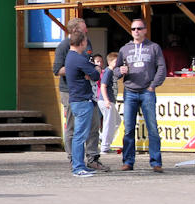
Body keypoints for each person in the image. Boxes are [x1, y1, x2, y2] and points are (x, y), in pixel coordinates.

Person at [52, 17, 106, 171]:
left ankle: (92, 158)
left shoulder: (86, 42)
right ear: (75, 30)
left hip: (88, 91)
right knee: (72, 127)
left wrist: (88, 69)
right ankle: (73, 159)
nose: (87, 30)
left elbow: (89, 63)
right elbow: (57, 70)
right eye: (84, 28)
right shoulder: (63, 46)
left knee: (94, 124)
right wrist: (78, 70)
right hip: (70, 91)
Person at [117, 18, 167, 172]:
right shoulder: (124, 49)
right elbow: (115, 69)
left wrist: (153, 85)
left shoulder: (154, 47)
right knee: (129, 129)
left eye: (139, 28)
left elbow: (162, 68)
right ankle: (128, 161)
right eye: (133, 29)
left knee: (152, 127)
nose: (136, 31)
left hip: (147, 91)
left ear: (145, 30)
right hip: (130, 90)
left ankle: (156, 162)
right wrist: (120, 71)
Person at [64, 30, 100, 177]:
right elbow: (96, 75)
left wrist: (88, 73)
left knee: (78, 134)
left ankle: (79, 165)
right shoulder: (79, 59)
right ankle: (78, 167)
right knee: (80, 135)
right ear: (82, 43)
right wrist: (95, 69)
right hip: (82, 100)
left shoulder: (69, 57)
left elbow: (89, 74)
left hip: (76, 99)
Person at [94, 52, 120, 160]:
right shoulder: (108, 72)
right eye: (116, 61)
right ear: (110, 62)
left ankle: (104, 140)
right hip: (106, 100)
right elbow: (103, 86)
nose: (118, 63)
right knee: (109, 122)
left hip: (109, 100)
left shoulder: (112, 72)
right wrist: (106, 100)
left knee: (117, 121)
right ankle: (105, 146)